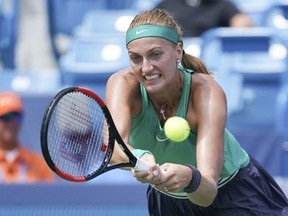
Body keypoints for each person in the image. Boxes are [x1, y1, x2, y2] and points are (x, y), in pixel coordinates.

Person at [105, 8, 288, 215]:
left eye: (155, 55)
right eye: (136, 58)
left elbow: (207, 192)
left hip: (234, 193)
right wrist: (140, 158)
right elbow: (114, 146)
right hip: (168, 200)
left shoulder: (206, 92)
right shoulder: (122, 84)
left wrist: (190, 177)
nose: (146, 68)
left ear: (178, 52)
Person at [0, 92, 55, 183]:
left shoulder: (39, 164)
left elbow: (49, 195)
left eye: (15, 117)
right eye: (5, 117)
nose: (11, 123)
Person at [154, 0, 253, 37]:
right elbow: (150, 23)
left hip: (207, 57)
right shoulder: (168, 3)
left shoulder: (221, 4)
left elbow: (242, 22)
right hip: (174, 51)